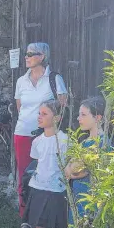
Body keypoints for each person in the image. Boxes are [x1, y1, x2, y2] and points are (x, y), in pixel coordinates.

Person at [14, 42, 67, 217]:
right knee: (24, 174)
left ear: (42, 57)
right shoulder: (21, 81)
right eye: (26, 54)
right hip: (23, 133)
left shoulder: (54, 79)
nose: (26, 57)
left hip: (46, 136)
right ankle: (25, 216)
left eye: (31, 54)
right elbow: (20, 107)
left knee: (46, 172)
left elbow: (62, 108)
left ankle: (44, 213)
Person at [22, 100, 68, 228]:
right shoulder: (37, 142)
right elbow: (37, 164)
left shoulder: (65, 141)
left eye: (45, 113)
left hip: (56, 190)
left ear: (56, 118)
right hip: (39, 189)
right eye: (39, 113)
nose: (39, 116)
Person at [64, 97, 105, 228]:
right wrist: (76, 171)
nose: (78, 118)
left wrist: (76, 170)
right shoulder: (84, 143)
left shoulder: (102, 143)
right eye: (79, 114)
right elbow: (69, 170)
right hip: (78, 199)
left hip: (91, 203)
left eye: (83, 115)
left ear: (98, 118)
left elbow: (76, 170)